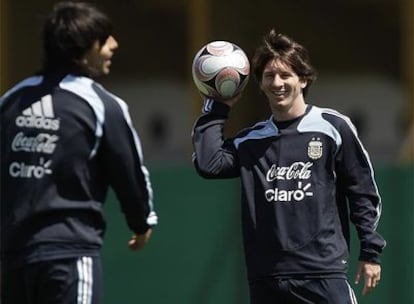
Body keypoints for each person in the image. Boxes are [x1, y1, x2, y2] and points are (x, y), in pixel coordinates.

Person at [192, 29, 385, 303]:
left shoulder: (332, 128)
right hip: (267, 277)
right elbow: (209, 163)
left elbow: (362, 193)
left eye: (286, 75)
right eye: (269, 76)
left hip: (323, 273)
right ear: (259, 84)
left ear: (303, 79)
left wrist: (370, 251)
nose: (277, 83)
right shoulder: (252, 140)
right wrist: (218, 106)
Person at [0, 1, 157, 303]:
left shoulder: (11, 101)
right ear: (85, 50)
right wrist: (141, 222)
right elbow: (128, 171)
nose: (114, 45)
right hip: (70, 255)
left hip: (14, 258)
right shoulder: (101, 105)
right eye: (105, 38)